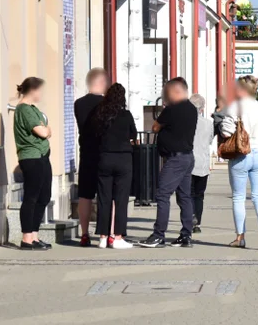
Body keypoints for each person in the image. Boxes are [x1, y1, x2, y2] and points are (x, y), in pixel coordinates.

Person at [137, 78, 198, 248]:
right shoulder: (192, 109)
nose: (166, 97)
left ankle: (158, 235)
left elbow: (156, 127)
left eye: (168, 93)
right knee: (184, 196)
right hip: (187, 156)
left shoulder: (172, 109)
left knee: (162, 194)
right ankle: (186, 235)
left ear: (176, 92)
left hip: (175, 159)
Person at [220, 75, 258, 249]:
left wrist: (223, 128)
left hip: (241, 155)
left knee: (238, 197)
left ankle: (240, 237)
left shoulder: (235, 107)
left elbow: (227, 133)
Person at [90, 83, 137, 249]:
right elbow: (133, 134)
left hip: (104, 158)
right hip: (123, 159)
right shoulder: (126, 115)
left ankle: (103, 237)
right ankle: (117, 237)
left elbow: (94, 135)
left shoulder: (100, 114)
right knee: (121, 199)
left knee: (104, 198)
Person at [13, 77, 52, 250]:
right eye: (40, 90)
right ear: (33, 90)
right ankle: (26, 238)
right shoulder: (24, 109)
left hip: (42, 156)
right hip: (32, 158)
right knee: (32, 197)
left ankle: (34, 236)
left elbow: (46, 128)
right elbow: (42, 131)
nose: (41, 94)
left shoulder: (33, 109)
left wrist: (47, 130)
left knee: (44, 196)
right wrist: (47, 130)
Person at [73, 68, 108, 247]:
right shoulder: (106, 104)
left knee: (85, 196)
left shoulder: (78, 103)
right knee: (105, 194)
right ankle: (104, 234)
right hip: (103, 152)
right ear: (102, 83)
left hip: (85, 152)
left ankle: (84, 233)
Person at [190, 94, 213, 234]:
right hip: (203, 164)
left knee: (188, 194)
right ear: (202, 109)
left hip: (189, 162)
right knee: (199, 195)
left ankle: (189, 218)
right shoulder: (208, 123)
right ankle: (197, 222)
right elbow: (210, 141)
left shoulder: (186, 122)